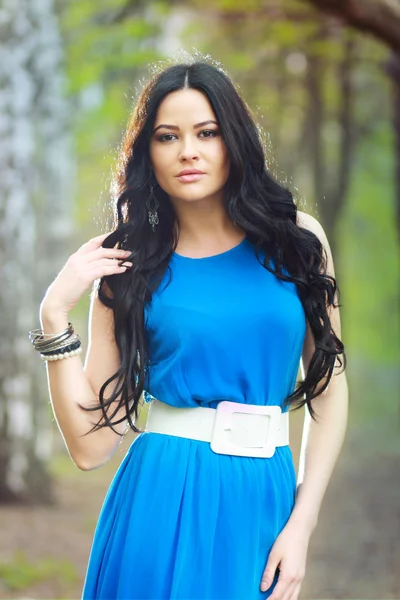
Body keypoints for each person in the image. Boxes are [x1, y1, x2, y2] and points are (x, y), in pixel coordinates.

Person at [32, 58, 349, 600]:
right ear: (146, 153)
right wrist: (53, 320)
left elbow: (330, 388)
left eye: (207, 132)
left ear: (235, 140)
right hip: (161, 496)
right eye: (167, 136)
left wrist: (303, 521)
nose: (188, 151)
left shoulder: (298, 241)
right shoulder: (129, 266)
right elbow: (89, 448)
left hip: (264, 496)